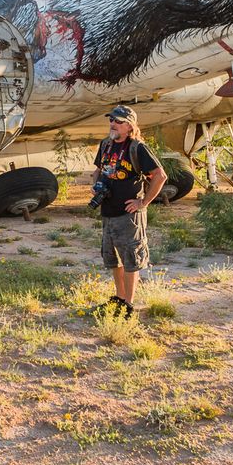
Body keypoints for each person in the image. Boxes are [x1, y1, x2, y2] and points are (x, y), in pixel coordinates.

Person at [91, 105, 166, 319]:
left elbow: (160, 176)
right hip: (108, 211)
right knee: (113, 258)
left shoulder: (137, 148)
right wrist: (95, 184)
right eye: (111, 120)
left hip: (128, 215)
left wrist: (143, 202)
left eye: (118, 121)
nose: (113, 124)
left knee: (131, 258)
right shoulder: (105, 144)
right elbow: (98, 170)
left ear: (129, 126)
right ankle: (119, 297)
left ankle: (129, 305)